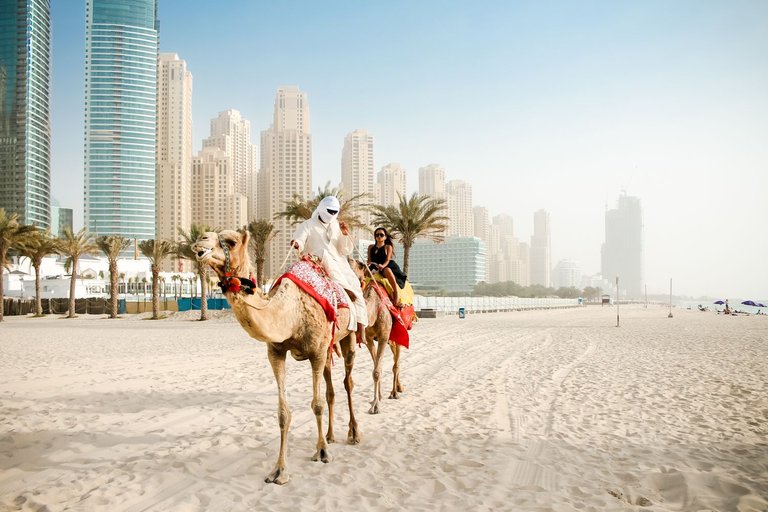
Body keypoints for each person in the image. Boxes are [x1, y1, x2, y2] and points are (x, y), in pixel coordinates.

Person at [290, 196, 367, 344]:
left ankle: (361, 327)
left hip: (339, 263)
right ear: (320, 208)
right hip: (318, 260)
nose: (331, 214)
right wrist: (297, 243)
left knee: (356, 288)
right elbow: (299, 240)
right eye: (329, 211)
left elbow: (344, 250)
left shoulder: (337, 226)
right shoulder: (308, 224)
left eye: (334, 211)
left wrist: (345, 235)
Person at [367, 227, 408, 307]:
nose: (379, 236)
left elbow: (387, 260)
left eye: (381, 235)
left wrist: (382, 266)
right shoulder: (370, 247)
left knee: (387, 270)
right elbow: (369, 259)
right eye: (377, 235)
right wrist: (367, 264)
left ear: (385, 237)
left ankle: (395, 292)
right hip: (374, 266)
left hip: (387, 265)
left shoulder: (388, 247)